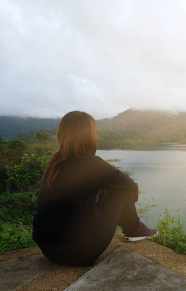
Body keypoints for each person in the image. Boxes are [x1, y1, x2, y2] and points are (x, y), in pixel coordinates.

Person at [33, 111, 157, 267]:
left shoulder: (55, 162)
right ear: (90, 135)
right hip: (79, 252)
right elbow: (130, 187)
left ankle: (134, 228)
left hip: (49, 249)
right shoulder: (91, 164)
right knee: (120, 190)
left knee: (109, 188)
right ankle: (134, 228)